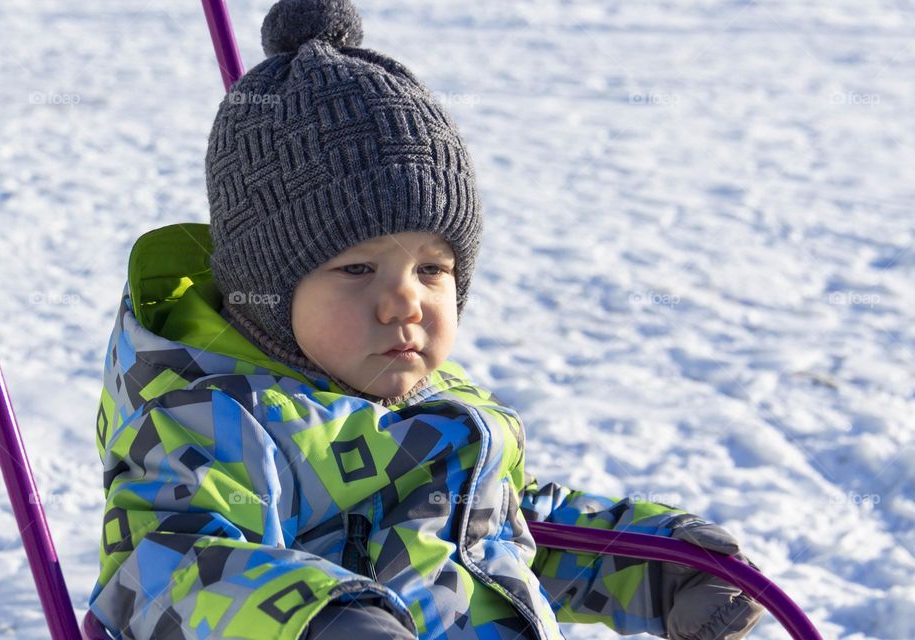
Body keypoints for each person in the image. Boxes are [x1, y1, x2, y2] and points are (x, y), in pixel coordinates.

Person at [87, 0, 764, 638]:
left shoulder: (441, 407)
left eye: (433, 270)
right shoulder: (214, 421)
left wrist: (667, 568)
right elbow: (161, 567)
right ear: (264, 289)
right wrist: (322, 620)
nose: (404, 303)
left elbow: (508, 535)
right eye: (358, 270)